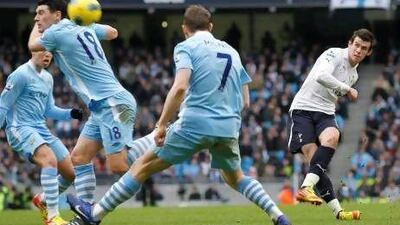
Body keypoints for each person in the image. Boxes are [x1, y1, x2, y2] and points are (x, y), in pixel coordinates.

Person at [66, 5, 291, 225]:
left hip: (194, 123)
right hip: (228, 126)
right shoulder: (232, 51)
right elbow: (245, 101)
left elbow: (180, 87)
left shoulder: (186, 47)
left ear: (185, 28)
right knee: (237, 178)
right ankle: (278, 216)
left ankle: (94, 215)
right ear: (210, 26)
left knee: (141, 167)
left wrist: (162, 123)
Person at [28, 0, 156, 210]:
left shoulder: (56, 33)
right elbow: (113, 32)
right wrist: (87, 22)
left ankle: (161, 138)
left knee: (118, 165)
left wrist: (39, 27)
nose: (36, 18)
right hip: (102, 107)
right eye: (36, 15)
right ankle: (86, 208)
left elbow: (33, 46)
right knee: (79, 157)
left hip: (112, 103)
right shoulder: (81, 26)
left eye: (41, 13)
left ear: (58, 15)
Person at [287, 28, 375, 220]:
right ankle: (337, 211)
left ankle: (308, 189)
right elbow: (321, 76)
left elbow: (332, 96)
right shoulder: (333, 54)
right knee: (314, 162)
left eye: (364, 48)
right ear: (350, 43)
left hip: (326, 112)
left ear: (368, 52)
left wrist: (345, 89)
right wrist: (347, 89)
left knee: (332, 137)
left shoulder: (354, 75)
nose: (358, 50)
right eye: (357, 45)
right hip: (303, 109)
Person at [0, 51, 82, 225]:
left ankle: (44, 199)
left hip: (41, 129)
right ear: (32, 50)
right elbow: (3, 105)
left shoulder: (48, 78)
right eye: (43, 51)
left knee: (70, 173)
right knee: (49, 159)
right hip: (19, 128)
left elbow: (49, 109)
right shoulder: (20, 75)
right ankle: (53, 217)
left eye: (50, 53)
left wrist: (70, 113)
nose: (47, 55)